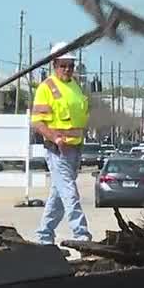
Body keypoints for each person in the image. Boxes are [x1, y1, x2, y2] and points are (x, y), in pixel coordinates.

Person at [30, 42, 93, 245]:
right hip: (57, 150)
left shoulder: (74, 87)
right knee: (69, 193)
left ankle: (44, 235)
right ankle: (81, 234)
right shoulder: (46, 88)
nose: (67, 69)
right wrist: (55, 138)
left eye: (71, 66)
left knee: (58, 195)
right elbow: (38, 122)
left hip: (75, 149)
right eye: (63, 65)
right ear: (54, 64)